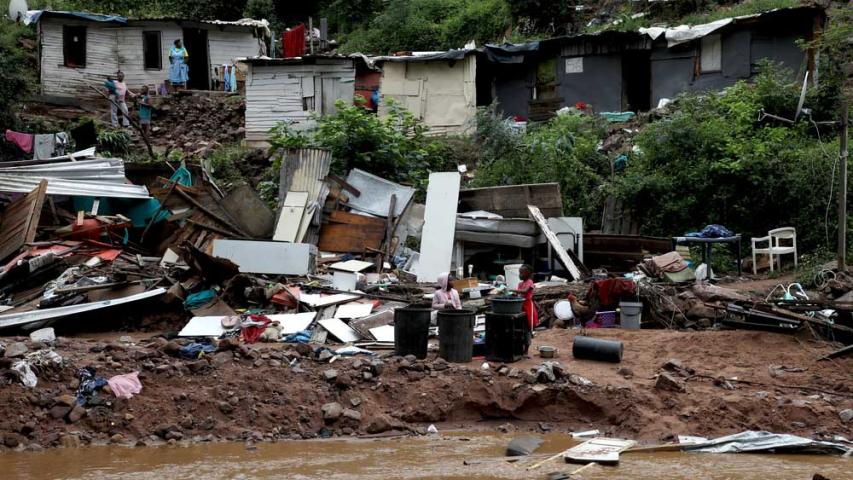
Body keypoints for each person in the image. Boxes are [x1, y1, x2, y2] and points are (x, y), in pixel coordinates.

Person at [512, 264, 538, 330]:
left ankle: (531, 331)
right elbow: (518, 293)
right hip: (520, 304)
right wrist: (513, 294)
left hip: (528, 304)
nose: (519, 275)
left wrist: (512, 290)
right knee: (522, 318)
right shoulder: (520, 284)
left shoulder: (530, 282)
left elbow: (525, 291)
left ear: (528, 274)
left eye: (521, 273)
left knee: (530, 318)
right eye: (519, 273)